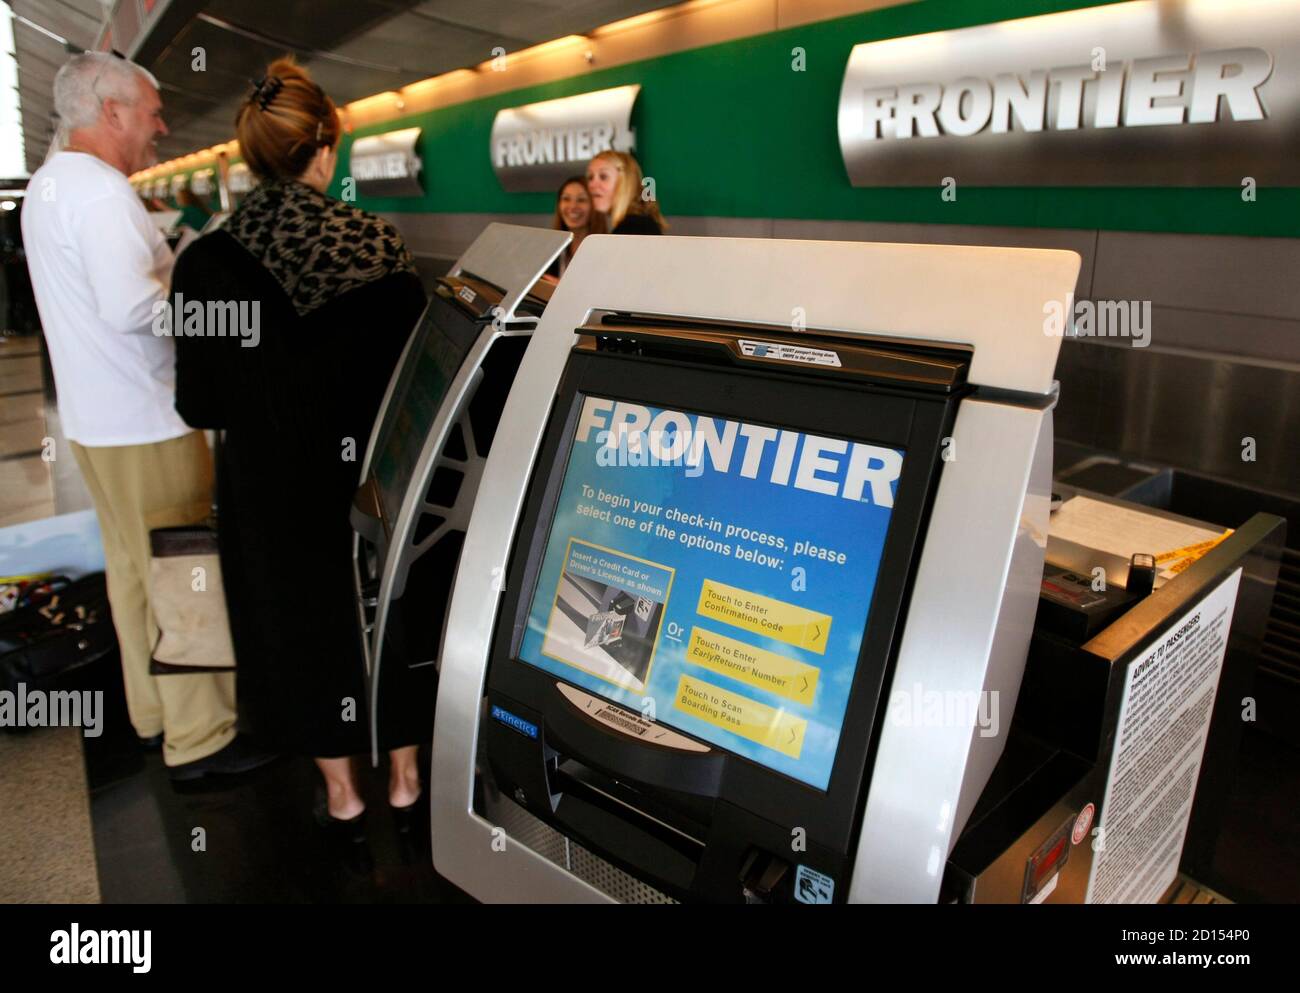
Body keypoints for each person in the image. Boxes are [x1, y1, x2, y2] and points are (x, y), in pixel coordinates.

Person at [170, 57, 430, 832]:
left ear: (252, 156)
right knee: (388, 613)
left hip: (270, 492)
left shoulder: (207, 263)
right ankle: (406, 776)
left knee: (297, 629)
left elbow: (200, 400)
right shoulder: (377, 247)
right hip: (369, 482)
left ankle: (343, 793)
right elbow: (414, 380)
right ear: (326, 151)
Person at [21, 52, 274, 780]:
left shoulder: (49, 187)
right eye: (152, 110)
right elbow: (134, 306)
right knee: (185, 574)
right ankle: (203, 738)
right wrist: (228, 316)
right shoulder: (101, 194)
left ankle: (153, 714)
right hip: (146, 419)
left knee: (134, 572)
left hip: (95, 424)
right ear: (112, 111)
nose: (161, 124)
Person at [585, 150, 667, 235]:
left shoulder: (634, 227)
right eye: (590, 177)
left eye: (603, 177)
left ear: (626, 182)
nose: (592, 184)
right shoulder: (638, 224)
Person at [545, 176, 605, 279]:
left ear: (595, 206)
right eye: (566, 199)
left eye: (581, 200)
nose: (572, 206)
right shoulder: (553, 250)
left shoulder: (605, 250)